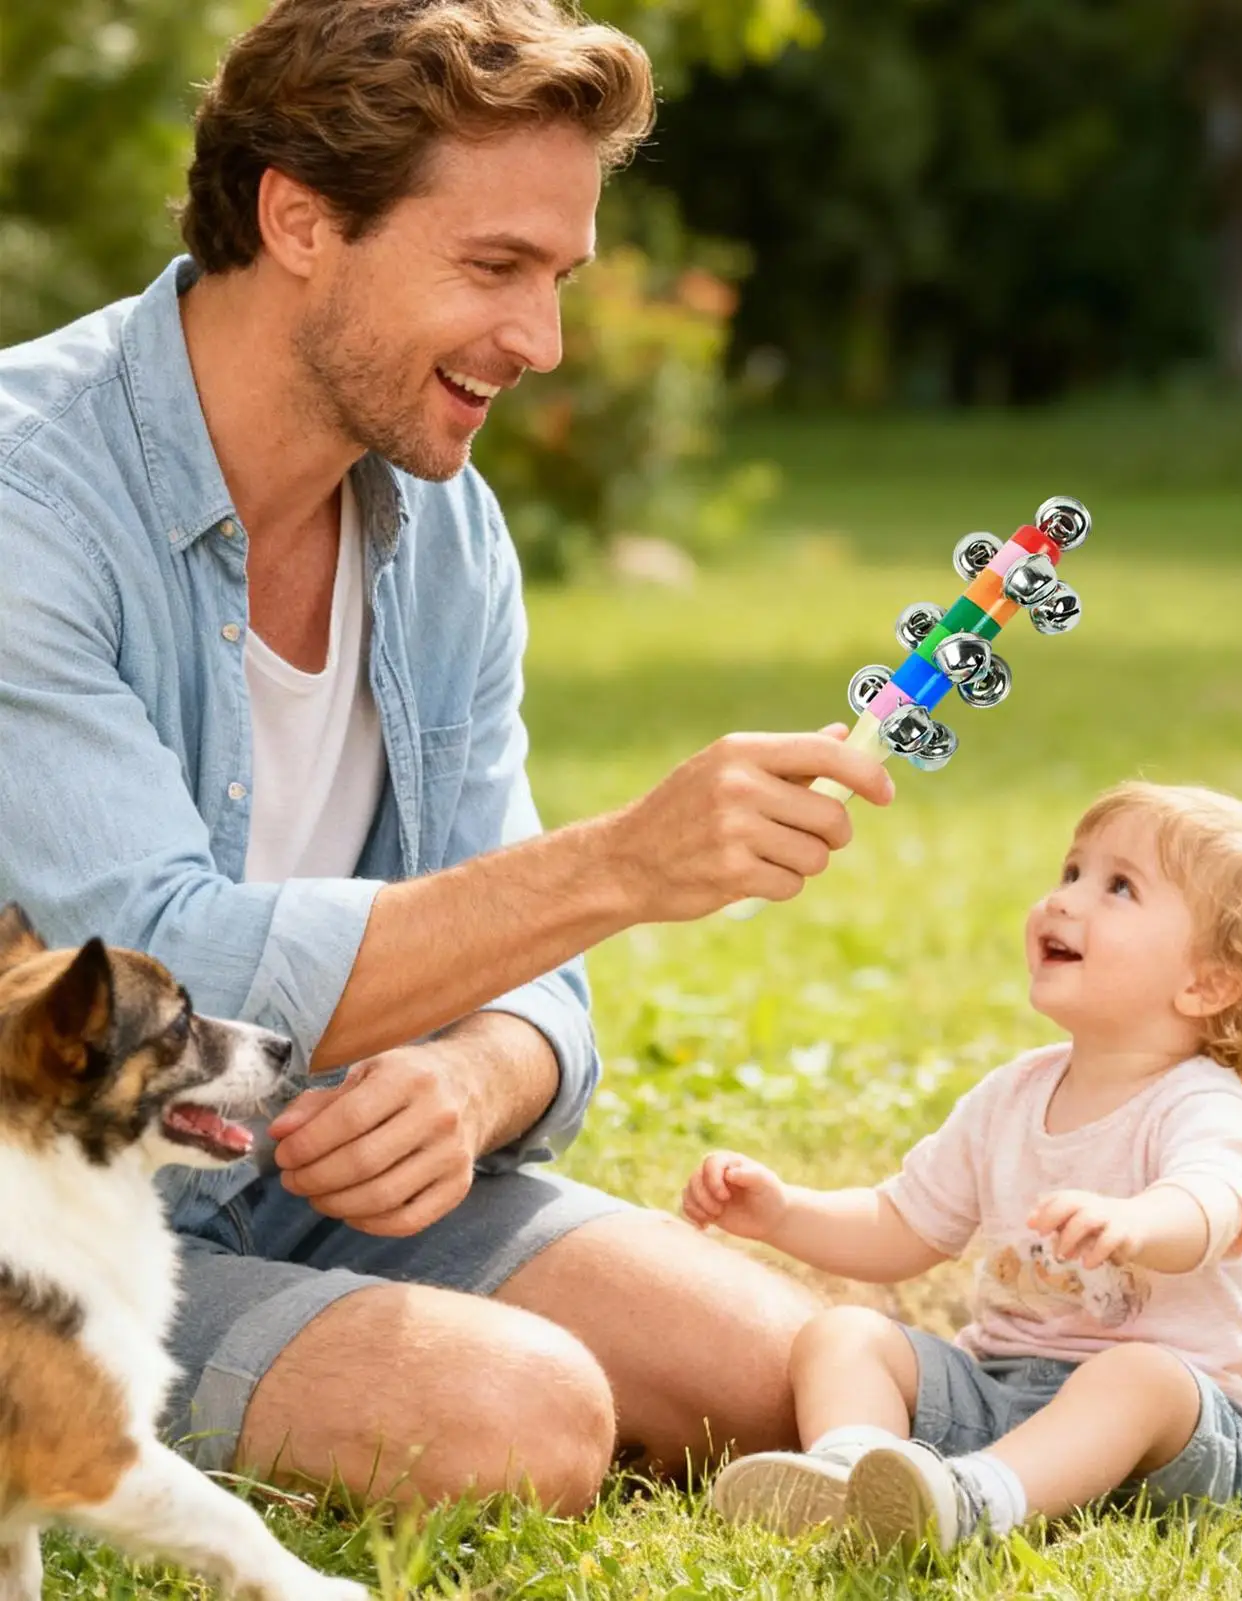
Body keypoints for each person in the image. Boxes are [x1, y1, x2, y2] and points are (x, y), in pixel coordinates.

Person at [0, 0, 895, 1512]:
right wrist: (622, 865)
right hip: (48, 1202)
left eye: (559, 276)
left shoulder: (442, 529)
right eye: (492, 268)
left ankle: (1188, 1415)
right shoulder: (29, 499)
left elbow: (523, 969)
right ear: (297, 218)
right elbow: (160, 956)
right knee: (513, 1421)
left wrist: (475, 1080)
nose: (540, 342)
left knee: (811, 1372)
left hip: (302, 1173)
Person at [683, 781, 1242, 1550]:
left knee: (1136, 1374)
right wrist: (782, 1212)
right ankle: (853, 1476)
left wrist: (1136, 1219)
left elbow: (1214, 1206)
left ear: (1206, 983)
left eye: (1118, 886)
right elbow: (902, 1225)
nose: (1064, 901)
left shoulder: (1201, 1103)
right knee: (846, 1333)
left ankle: (976, 1500)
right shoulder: (1012, 1095)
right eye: (1071, 872)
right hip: (1006, 1396)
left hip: (1190, 1437)